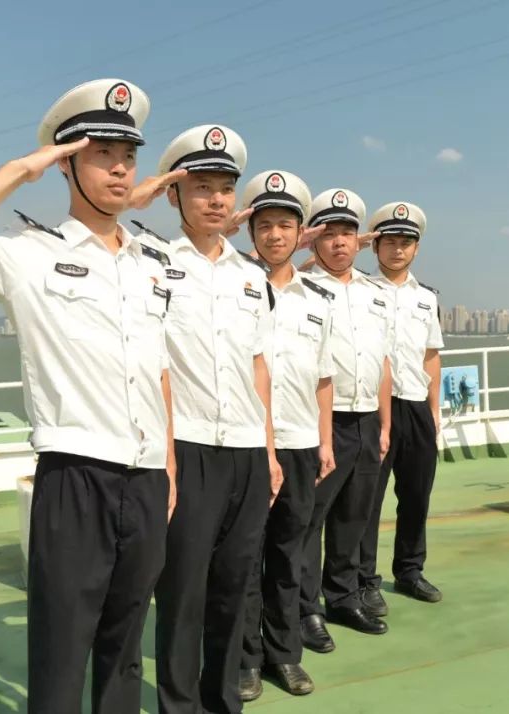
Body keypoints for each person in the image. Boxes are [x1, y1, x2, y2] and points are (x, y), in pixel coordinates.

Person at [0, 78, 183, 714]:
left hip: (147, 479)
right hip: (76, 476)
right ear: (66, 163)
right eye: (101, 154)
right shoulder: (29, 255)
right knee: (62, 652)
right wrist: (19, 169)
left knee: (124, 647)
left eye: (128, 155)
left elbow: (157, 367)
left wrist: (168, 464)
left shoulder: (150, 261)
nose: (119, 168)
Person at [151, 125, 283, 714]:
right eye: (201, 187)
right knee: (182, 591)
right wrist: (166, 460)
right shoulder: (152, 265)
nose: (216, 200)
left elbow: (259, 368)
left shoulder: (251, 276)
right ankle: (179, 705)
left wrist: (271, 453)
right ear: (174, 194)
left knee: (235, 585)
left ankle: (224, 700)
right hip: (188, 447)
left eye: (225, 188)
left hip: (248, 452)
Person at [235, 171, 336, 701]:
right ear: (250, 231)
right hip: (248, 444)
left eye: (284, 225)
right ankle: (245, 659)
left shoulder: (317, 298)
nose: (274, 235)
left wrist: (325, 442)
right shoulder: (233, 284)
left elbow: (324, 379)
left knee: (288, 555)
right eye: (264, 225)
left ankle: (284, 654)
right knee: (244, 555)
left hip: (299, 443)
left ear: (301, 234)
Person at [297, 188, 393, 654]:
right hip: (324, 420)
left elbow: (384, 362)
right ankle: (304, 610)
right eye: (329, 233)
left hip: (367, 419)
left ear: (360, 240)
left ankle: (342, 597)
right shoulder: (298, 287)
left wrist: (386, 425)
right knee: (310, 520)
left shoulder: (376, 294)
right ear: (313, 239)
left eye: (347, 233)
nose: (338, 242)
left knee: (355, 515)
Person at [359, 201, 445, 611]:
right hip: (373, 408)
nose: (397, 249)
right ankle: (364, 578)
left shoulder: (427, 298)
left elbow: (431, 356)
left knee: (416, 496)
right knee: (367, 499)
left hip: (415, 406)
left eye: (406, 242)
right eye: (389, 241)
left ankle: (410, 571)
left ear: (416, 248)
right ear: (374, 246)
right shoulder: (359, 291)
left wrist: (435, 411)